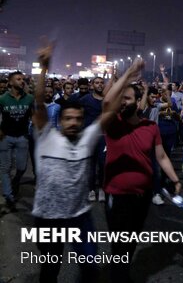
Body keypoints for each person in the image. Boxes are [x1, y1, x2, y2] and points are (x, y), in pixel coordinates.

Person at [30, 41, 117, 283]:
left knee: (90, 265)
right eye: (68, 118)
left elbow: (110, 111)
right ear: (61, 120)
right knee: (50, 268)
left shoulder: (87, 139)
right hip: (48, 217)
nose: (73, 123)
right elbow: (38, 104)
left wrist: (125, 76)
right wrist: (43, 68)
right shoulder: (47, 137)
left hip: (80, 216)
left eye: (78, 119)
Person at [103, 59, 182, 283]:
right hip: (116, 194)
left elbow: (161, 156)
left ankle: (122, 270)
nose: (122, 103)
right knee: (119, 242)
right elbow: (108, 100)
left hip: (142, 195)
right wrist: (128, 74)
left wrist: (174, 178)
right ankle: (119, 276)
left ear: (139, 102)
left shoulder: (151, 127)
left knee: (131, 240)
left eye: (127, 99)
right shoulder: (113, 122)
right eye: (121, 99)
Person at [0, 71, 34, 211]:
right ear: (10, 82)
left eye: (23, 79)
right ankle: (9, 196)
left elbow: (34, 116)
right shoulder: (2, 99)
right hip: (5, 137)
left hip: (22, 137)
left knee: (21, 167)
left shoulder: (29, 98)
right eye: (18, 79)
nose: (22, 81)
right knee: (5, 168)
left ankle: (14, 184)